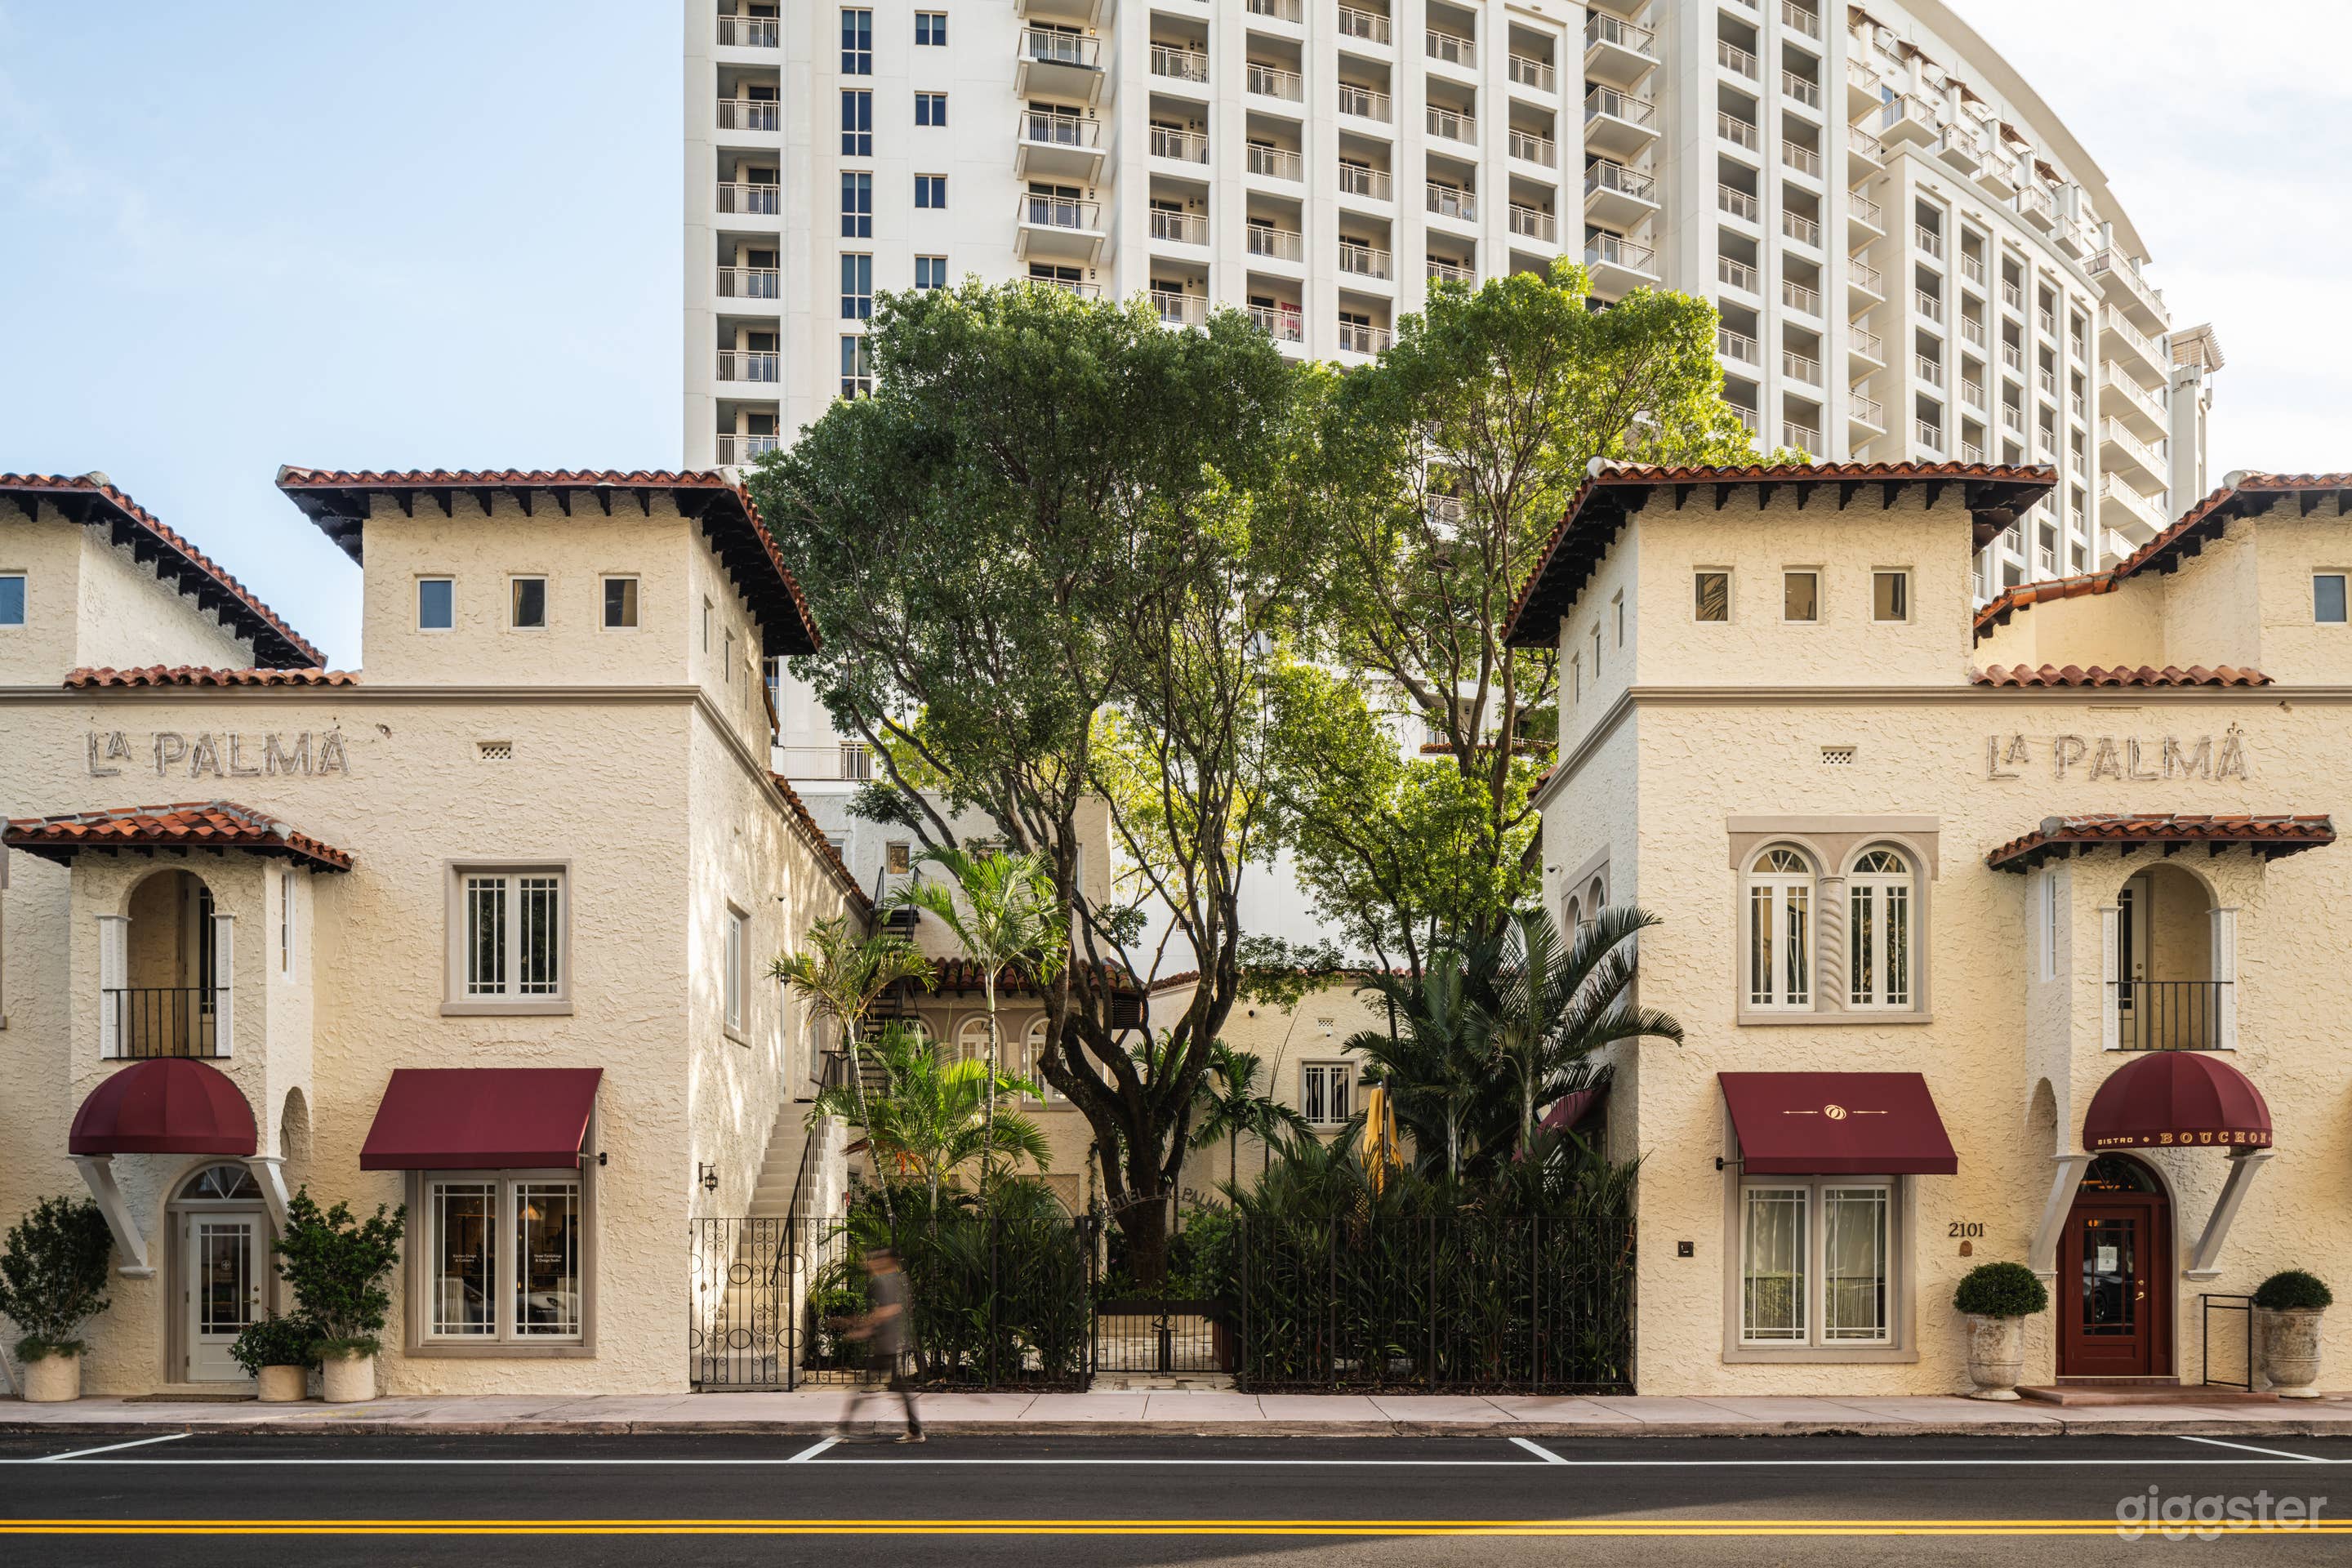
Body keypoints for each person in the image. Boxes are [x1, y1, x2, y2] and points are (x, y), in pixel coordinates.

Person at [837, 1247, 923, 1443]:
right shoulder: (899, 1280)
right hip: (891, 1341)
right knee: (898, 1388)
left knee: (863, 1385)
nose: (872, 1262)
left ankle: (844, 1427)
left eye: (877, 1259)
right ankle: (915, 1429)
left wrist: (863, 1327)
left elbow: (888, 1311)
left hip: (886, 1344)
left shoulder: (883, 1282)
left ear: (887, 1261)